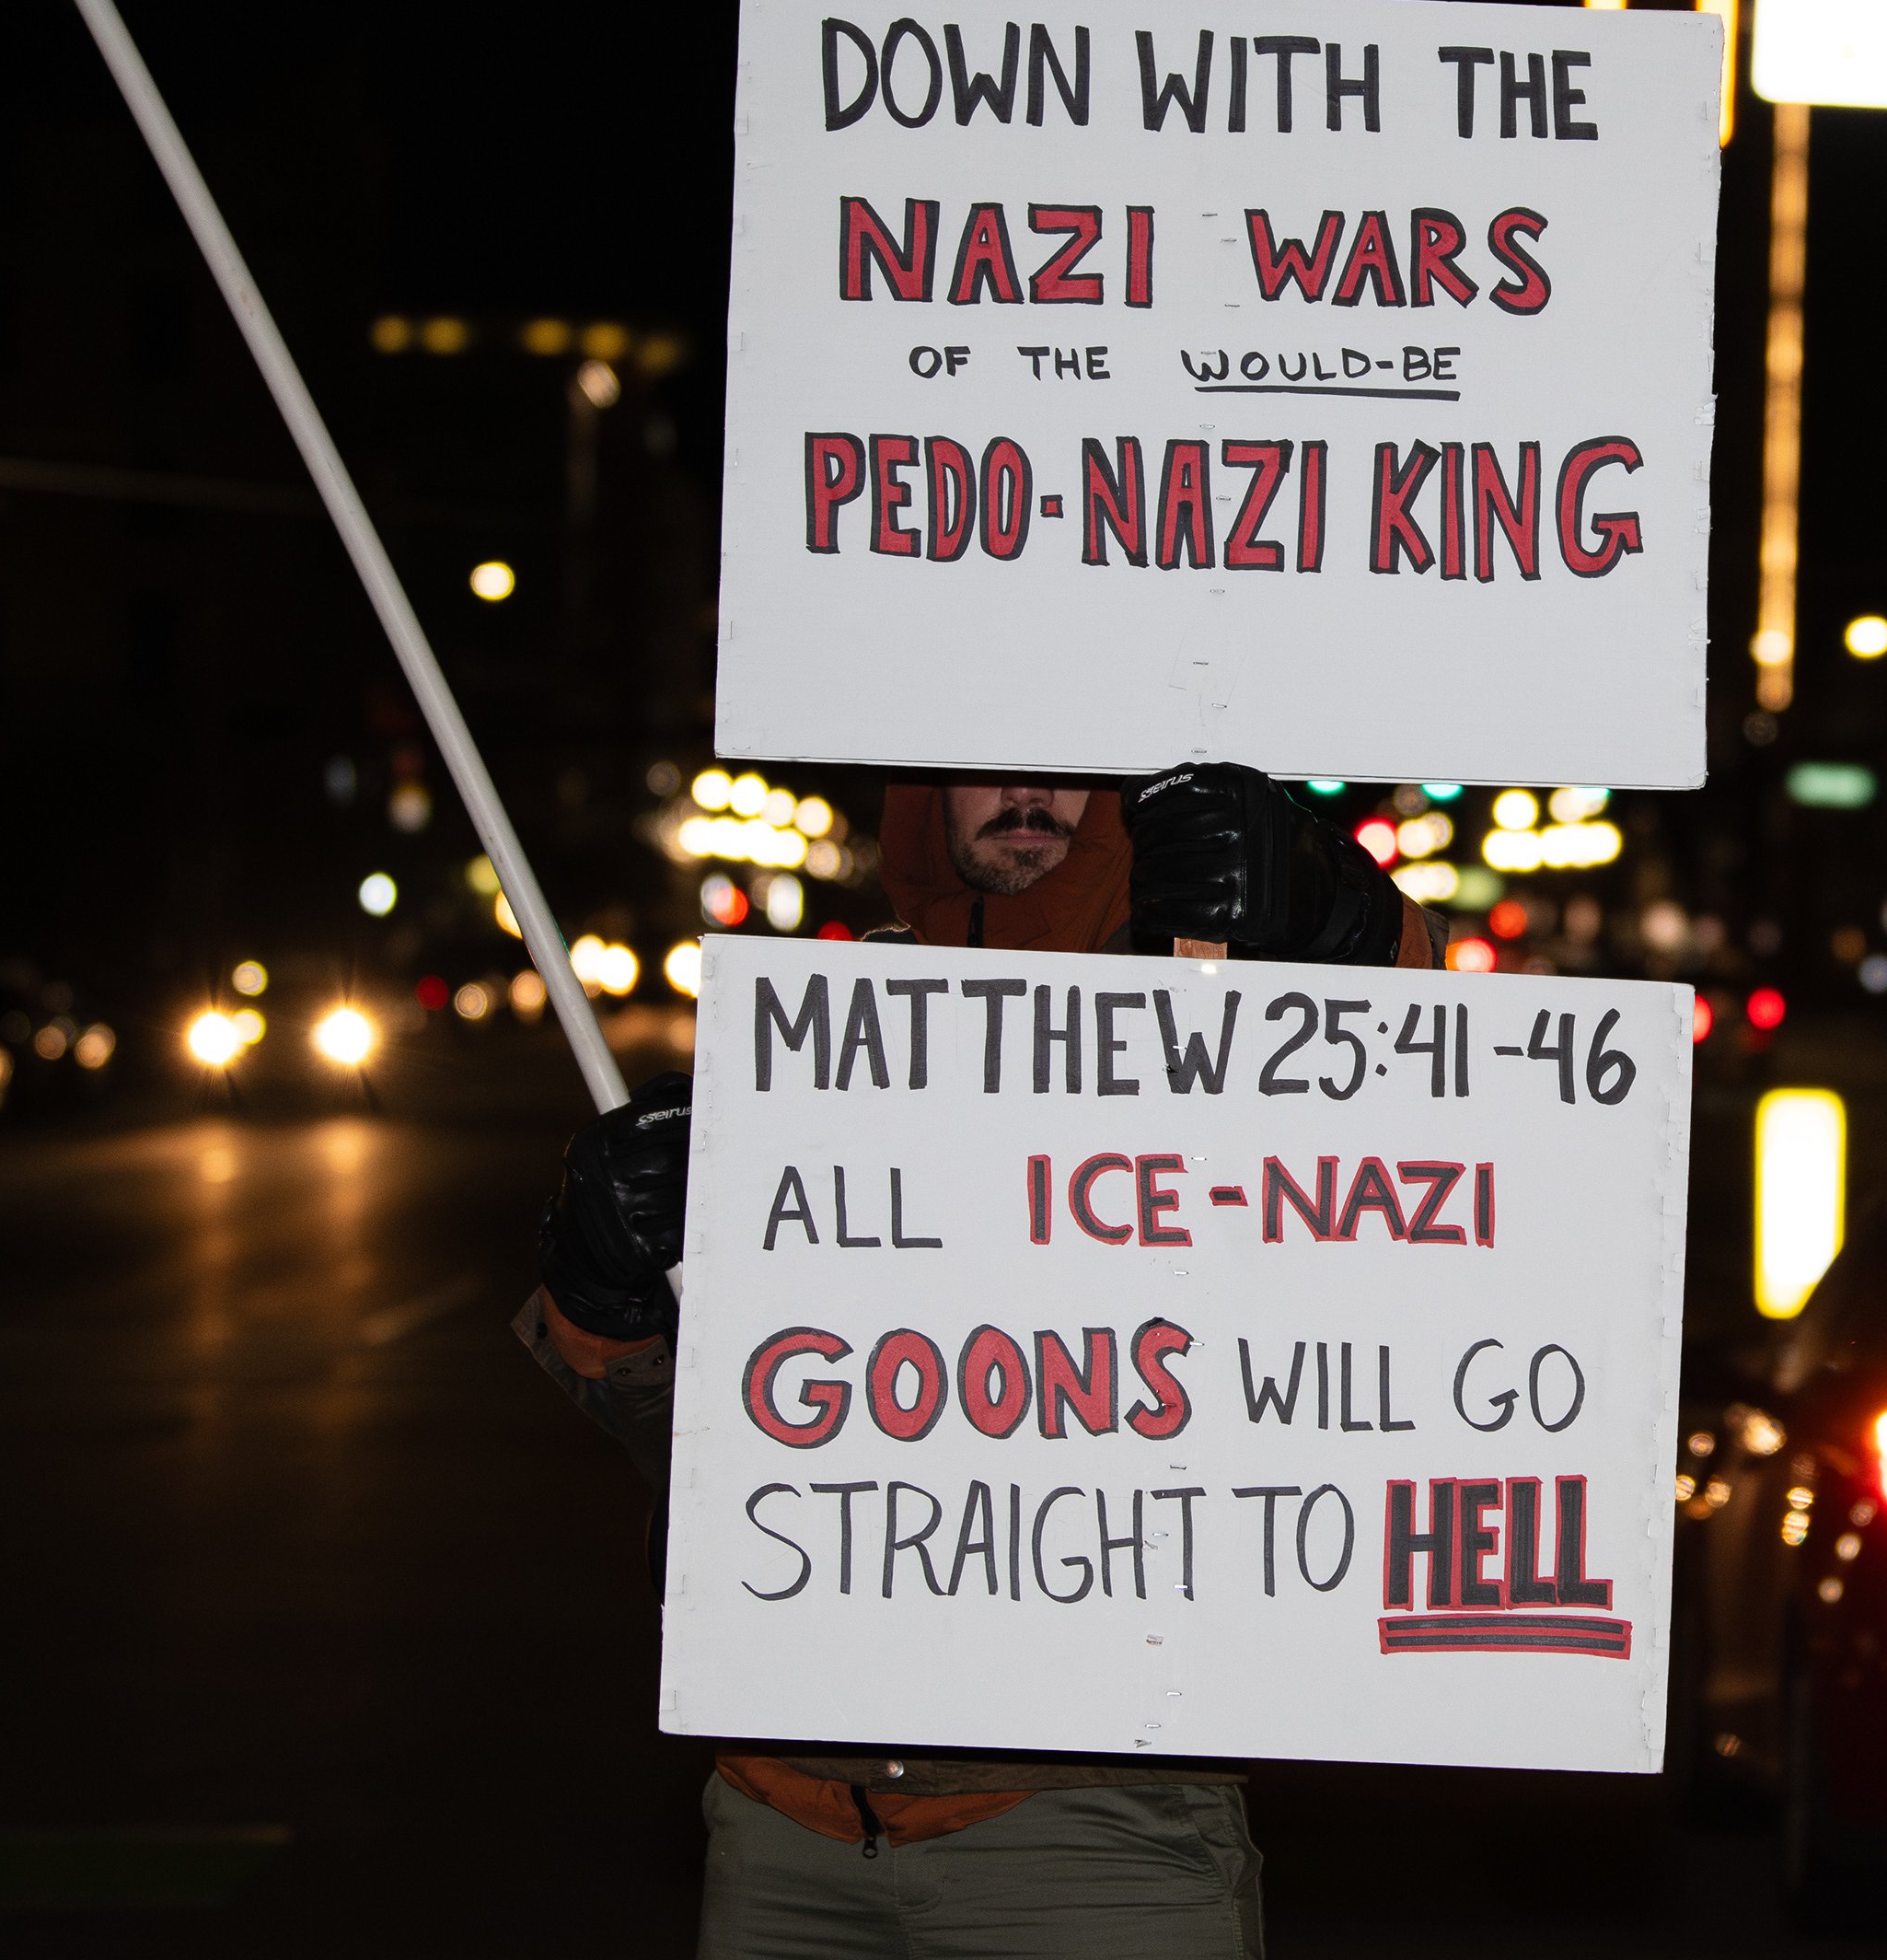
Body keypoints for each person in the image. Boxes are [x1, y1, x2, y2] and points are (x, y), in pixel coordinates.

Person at [517, 762, 1430, 1959]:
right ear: (922, 791)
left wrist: (1341, 921)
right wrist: (605, 1298)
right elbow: (705, 1430)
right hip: (779, 1831)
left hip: (1090, 1834)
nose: (1023, 790)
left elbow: (1430, 1104)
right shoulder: (828, 1035)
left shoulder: (1224, 999)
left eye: (1063, 760)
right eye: (980, 758)